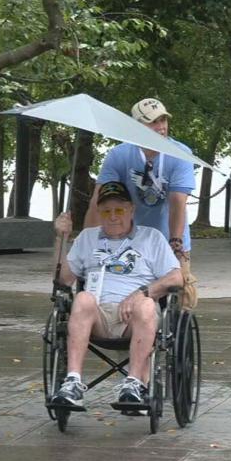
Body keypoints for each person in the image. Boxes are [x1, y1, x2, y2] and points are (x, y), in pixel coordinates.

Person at [51, 181, 183, 410]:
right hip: (97, 316)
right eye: (106, 211)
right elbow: (63, 281)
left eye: (119, 210)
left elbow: (176, 279)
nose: (113, 216)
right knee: (81, 298)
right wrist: (61, 238)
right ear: (99, 213)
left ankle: (133, 383)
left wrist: (141, 294)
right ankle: (72, 382)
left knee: (146, 305)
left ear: (132, 209)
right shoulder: (87, 238)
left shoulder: (151, 238)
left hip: (135, 317)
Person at [84, 98, 198, 309]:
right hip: (128, 240)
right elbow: (98, 200)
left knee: (180, 298)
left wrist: (176, 243)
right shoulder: (119, 155)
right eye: (153, 122)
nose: (161, 127)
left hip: (168, 238)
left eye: (163, 120)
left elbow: (177, 202)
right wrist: (88, 240)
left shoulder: (181, 155)